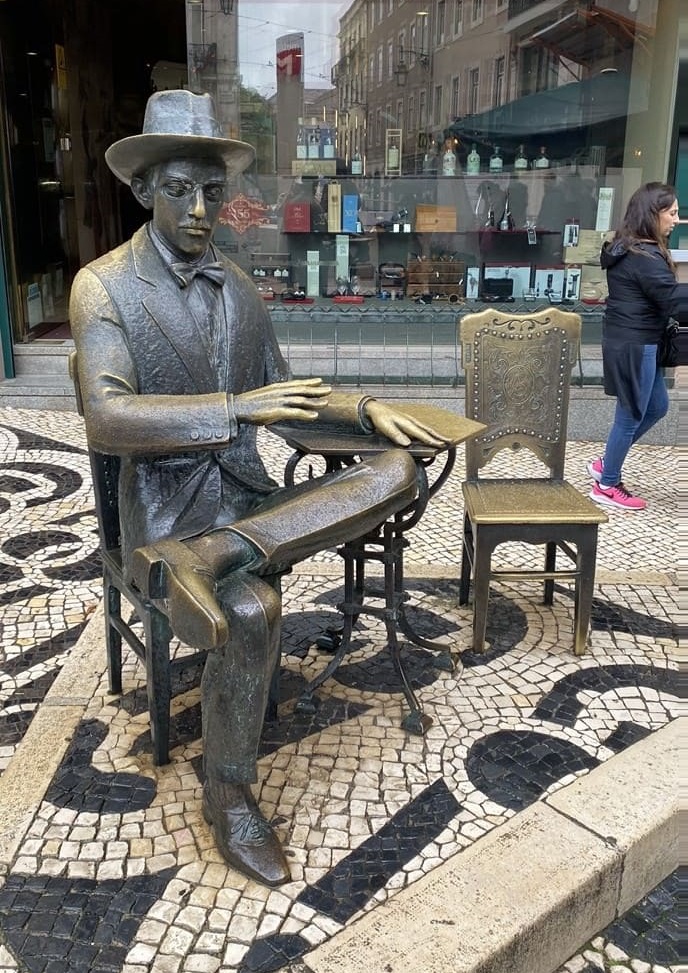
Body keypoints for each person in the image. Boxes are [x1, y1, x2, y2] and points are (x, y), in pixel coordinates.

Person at [69, 89, 462, 887]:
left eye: (212, 192)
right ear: (144, 190)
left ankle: (219, 554)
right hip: (164, 520)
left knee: (396, 469)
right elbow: (108, 417)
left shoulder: (240, 288)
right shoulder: (102, 287)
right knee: (256, 608)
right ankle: (230, 793)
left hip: (243, 512)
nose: (200, 208)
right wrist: (231, 409)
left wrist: (365, 409)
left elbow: (288, 397)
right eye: (180, 190)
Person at [587, 182, 680, 510]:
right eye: (672, 213)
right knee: (630, 415)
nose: (676, 220)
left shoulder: (633, 248)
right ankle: (606, 484)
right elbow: (672, 299)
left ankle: (604, 464)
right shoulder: (643, 255)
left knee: (656, 407)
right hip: (635, 343)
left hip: (640, 341)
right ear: (652, 215)